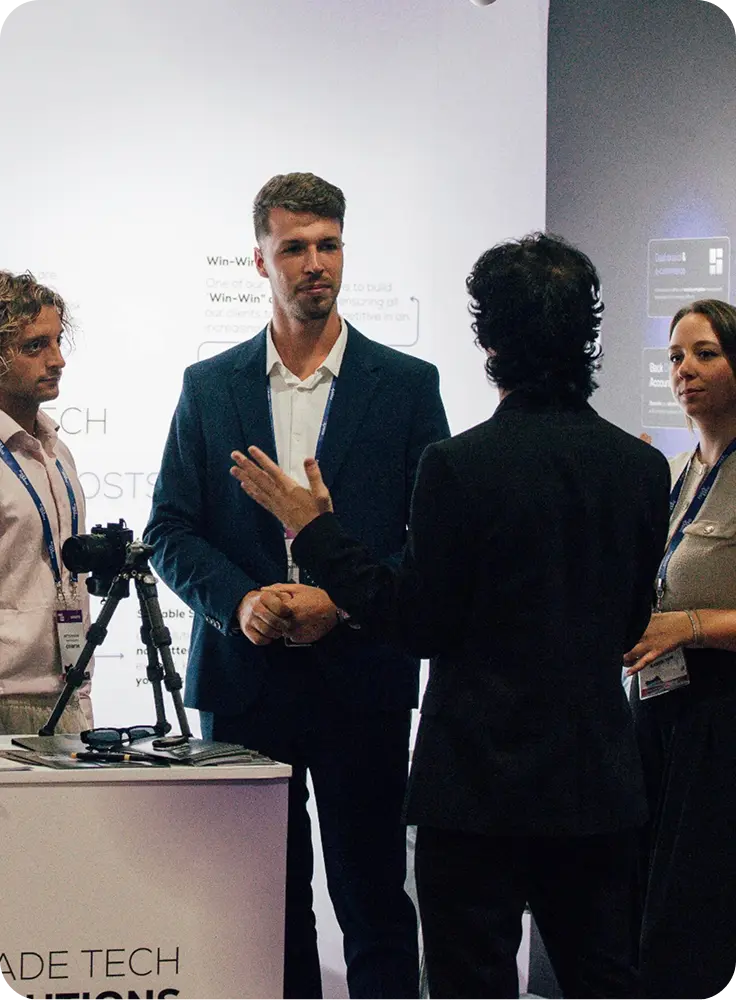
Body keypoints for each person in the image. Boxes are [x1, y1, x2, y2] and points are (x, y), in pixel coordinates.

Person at [230, 232, 672, 1000]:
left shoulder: (460, 467)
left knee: (471, 984)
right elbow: (631, 621)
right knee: (606, 978)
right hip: (594, 779)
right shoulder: (641, 467)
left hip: (476, 787)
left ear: (489, 339)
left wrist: (318, 532)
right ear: (588, 333)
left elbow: (418, 621)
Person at [144, 172, 449, 1000]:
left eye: (329, 245)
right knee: (261, 912)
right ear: (259, 261)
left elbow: (433, 540)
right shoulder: (210, 387)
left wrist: (341, 600)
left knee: (376, 903)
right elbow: (169, 528)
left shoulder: (408, 385)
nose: (316, 263)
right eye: (295, 248)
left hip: (364, 680)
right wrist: (240, 601)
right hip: (247, 685)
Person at [624, 299, 736, 1000]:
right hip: (660, 709)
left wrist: (690, 626)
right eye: (674, 357)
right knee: (647, 895)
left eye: (705, 353)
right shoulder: (672, 472)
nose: (685, 370)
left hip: (724, 713)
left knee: (699, 909)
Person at [0, 270, 93, 735]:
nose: (56, 360)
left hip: (68, 687)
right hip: (6, 695)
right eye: (34, 346)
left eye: (57, 342)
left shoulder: (57, 450)